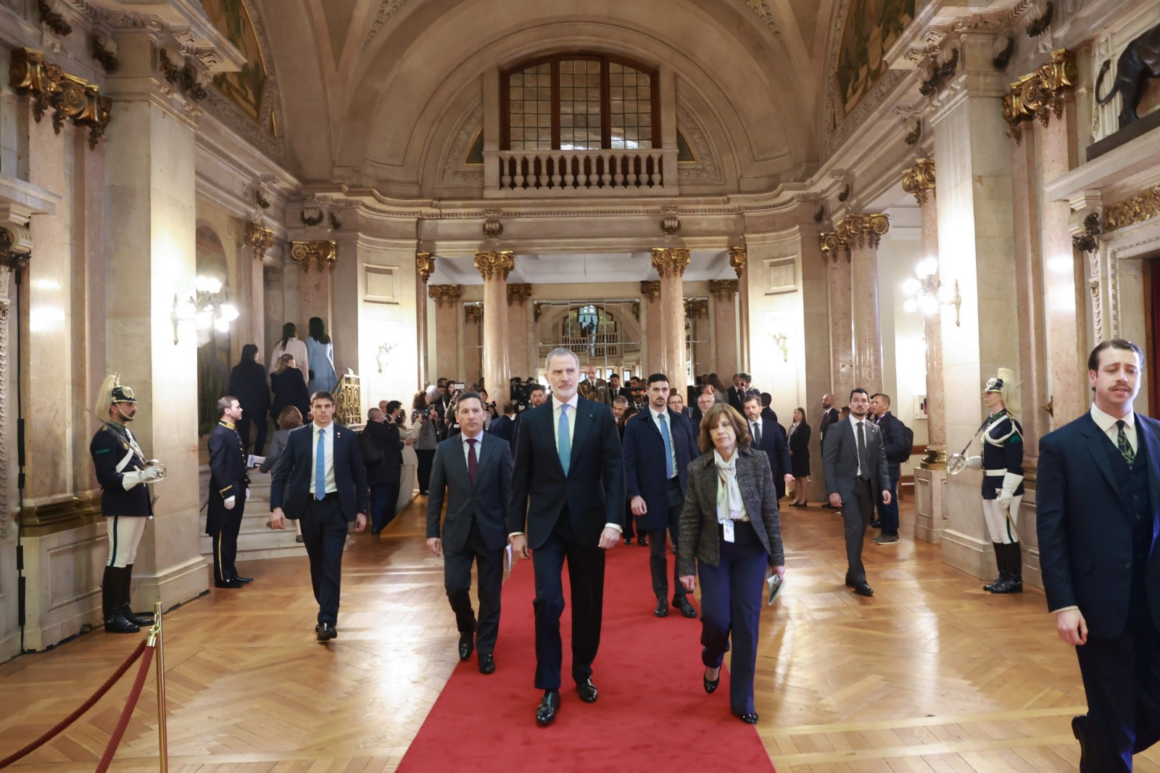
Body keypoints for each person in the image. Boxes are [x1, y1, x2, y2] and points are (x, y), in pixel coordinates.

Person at [1038, 340, 1160, 771]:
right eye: (1112, 369)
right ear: (1093, 377)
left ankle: (1095, 735)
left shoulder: (1159, 436)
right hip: (1096, 602)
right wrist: (1064, 604)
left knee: (1148, 708)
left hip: (1155, 599)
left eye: (1131, 369)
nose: (1122, 377)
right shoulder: (1061, 446)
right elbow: (1051, 532)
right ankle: (1103, 739)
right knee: (1112, 712)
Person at [507, 348, 624, 726]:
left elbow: (614, 471)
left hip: (590, 525)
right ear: (547, 376)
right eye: (557, 371)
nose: (564, 377)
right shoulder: (531, 420)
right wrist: (515, 529)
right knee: (548, 601)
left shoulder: (600, 415)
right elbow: (519, 478)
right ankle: (550, 685)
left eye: (570, 370)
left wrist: (614, 521)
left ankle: (583, 670)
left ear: (579, 374)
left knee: (589, 603)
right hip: (546, 527)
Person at [678, 403, 784, 725]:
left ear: (738, 429)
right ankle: (712, 658)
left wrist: (777, 559)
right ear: (708, 434)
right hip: (714, 551)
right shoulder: (699, 469)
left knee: (747, 626)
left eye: (726, 425)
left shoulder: (758, 461)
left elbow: (770, 512)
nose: (721, 431)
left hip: (751, 550)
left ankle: (742, 700)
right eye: (714, 427)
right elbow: (689, 520)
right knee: (715, 618)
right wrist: (685, 566)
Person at [269, 391, 369, 642]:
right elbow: (280, 473)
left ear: (334, 408)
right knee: (317, 564)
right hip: (308, 508)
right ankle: (325, 606)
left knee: (332, 562)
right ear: (310, 410)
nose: (323, 411)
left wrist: (361, 510)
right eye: (318, 406)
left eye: (327, 406)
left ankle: (327, 619)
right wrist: (276, 507)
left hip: (337, 507)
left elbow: (360, 475)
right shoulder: (298, 436)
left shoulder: (346, 437)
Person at [426, 392, 514, 675]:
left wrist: (515, 529)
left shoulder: (500, 448)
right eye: (465, 411)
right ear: (457, 416)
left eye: (476, 411)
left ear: (484, 414)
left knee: (490, 594)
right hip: (456, 531)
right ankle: (467, 628)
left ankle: (486, 649)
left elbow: (510, 493)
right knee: (455, 587)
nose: (472, 416)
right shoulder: (445, 449)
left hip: (491, 532)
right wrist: (431, 532)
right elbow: (436, 494)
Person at [89, 375, 164, 634]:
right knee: (117, 558)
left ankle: (124, 608)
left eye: (132, 403)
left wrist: (147, 471)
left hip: (135, 503)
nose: (133, 408)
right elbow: (106, 477)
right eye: (127, 403)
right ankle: (112, 616)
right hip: (120, 504)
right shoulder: (104, 437)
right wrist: (140, 476)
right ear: (113, 407)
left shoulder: (125, 434)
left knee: (128, 558)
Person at [623, 374, 700, 618]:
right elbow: (629, 462)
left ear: (669, 392)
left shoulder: (681, 421)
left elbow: (694, 456)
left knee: (683, 547)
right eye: (655, 389)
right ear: (647, 391)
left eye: (664, 389)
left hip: (681, 491)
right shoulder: (637, 424)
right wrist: (634, 495)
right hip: (651, 494)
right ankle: (661, 597)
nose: (660, 393)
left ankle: (681, 596)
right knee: (657, 550)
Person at [822, 388, 892, 598]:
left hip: (867, 487)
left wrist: (886, 486)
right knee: (853, 529)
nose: (860, 404)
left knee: (860, 530)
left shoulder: (874, 430)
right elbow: (828, 462)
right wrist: (832, 491)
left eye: (864, 400)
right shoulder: (837, 429)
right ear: (850, 404)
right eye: (856, 400)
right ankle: (859, 578)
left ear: (868, 405)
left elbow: (881, 460)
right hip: (846, 488)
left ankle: (851, 573)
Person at [207, 396, 251, 588]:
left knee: (232, 533)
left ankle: (231, 573)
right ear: (227, 410)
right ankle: (222, 576)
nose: (241, 409)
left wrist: (244, 485)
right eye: (237, 406)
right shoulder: (219, 433)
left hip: (237, 485)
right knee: (223, 534)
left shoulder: (231, 431)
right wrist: (227, 492)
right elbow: (218, 466)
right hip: (225, 489)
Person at [262, 406, 304, 543]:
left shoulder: (278, 435)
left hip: (281, 471)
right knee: (297, 497)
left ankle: (274, 517)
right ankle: (299, 531)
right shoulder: (304, 433)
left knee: (277, 490)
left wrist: (263, 468)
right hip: (297, 470)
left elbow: (273, 455)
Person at [869, 393, 907, 545]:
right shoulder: (873, 421)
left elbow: (899, 445)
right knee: (879, 499)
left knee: (888, 499)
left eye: (876, 402)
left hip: (889, 467)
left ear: (885, 405)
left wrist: (879, 451)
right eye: (872, 402)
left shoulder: (894, 423)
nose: (872, 404)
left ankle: (891, 532)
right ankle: (884, 528)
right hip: (876, 467)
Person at [361, 406, 404, 534]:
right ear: (378, 417)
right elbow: (393, 438)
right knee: (382, 499)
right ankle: (378, 525)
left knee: (376, 498)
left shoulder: (367, 429)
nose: (384, 416)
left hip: (373, 470)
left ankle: (376, 524)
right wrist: (393, 426)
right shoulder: (378, 428)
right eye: (382, 415)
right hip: (383, 470)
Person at [743, 394, 793, 501]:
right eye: (747, 408)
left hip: (772, 473)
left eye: (753, 407)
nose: (751, 410)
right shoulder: (740, 428)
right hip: (748, 475)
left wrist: (787, 471)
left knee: (772, 505)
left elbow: (782, 449)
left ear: (760, 408)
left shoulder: (773, 426)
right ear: (744, 410)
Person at [228, 344, 270, 456]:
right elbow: (264, 388)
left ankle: (243, 459)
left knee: (243, 435)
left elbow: (232, 389)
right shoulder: (259, 369)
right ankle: (256, 457)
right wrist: (267, 406)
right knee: (263, 430)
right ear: (254, 354)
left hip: (242, 406)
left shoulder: (236, 370)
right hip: (258, 406)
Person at [413, 388, 440, 496]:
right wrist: (428, 417)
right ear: (421, 399)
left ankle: (429, 486)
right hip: (423, 445)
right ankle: (423, 488)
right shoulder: (416, 412)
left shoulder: (426, 410)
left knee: (430, 466)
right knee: (424, 466)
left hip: (431, 443)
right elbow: (420, 427)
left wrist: (434, 418)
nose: (429, 399)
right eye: (427, 397)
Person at [270, 354, 310, 425]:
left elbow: (274, 390)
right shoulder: (296, 372)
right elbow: (303, 390)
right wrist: (309, 405)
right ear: (291, 361)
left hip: (279, 409)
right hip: (296, 408)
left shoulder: (274, 375)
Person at [306, 317, 338, 396]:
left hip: (315, 371)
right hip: (329, 370)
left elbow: (308, 358)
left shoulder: (309, 340)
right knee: (328, 395)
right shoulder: (327, 339)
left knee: (315, 396)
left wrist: (305, 373)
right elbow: (331, 356)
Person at [788, 408, 811, 507]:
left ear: (803, 415)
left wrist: (793, 450)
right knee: (796, 477)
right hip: (792, 455)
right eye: (795, 413)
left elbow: (803, 442)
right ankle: (797, 497)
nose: (796, 415)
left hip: (801, 455)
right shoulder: (792, 427)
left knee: (802, 477)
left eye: (798, 413)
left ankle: (803, 499)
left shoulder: (805, 427)